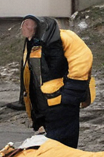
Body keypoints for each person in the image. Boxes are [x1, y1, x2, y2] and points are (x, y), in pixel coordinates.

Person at [19, 15, 94, 148]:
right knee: (51, 141)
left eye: (29, 25)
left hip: (62, 99)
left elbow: (81, 61)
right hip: (45, 102)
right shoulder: (33, 44)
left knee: (63, 141)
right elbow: (29, 74)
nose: (26, 29)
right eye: (25, 25)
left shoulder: (65, 37)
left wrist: (71, 93)